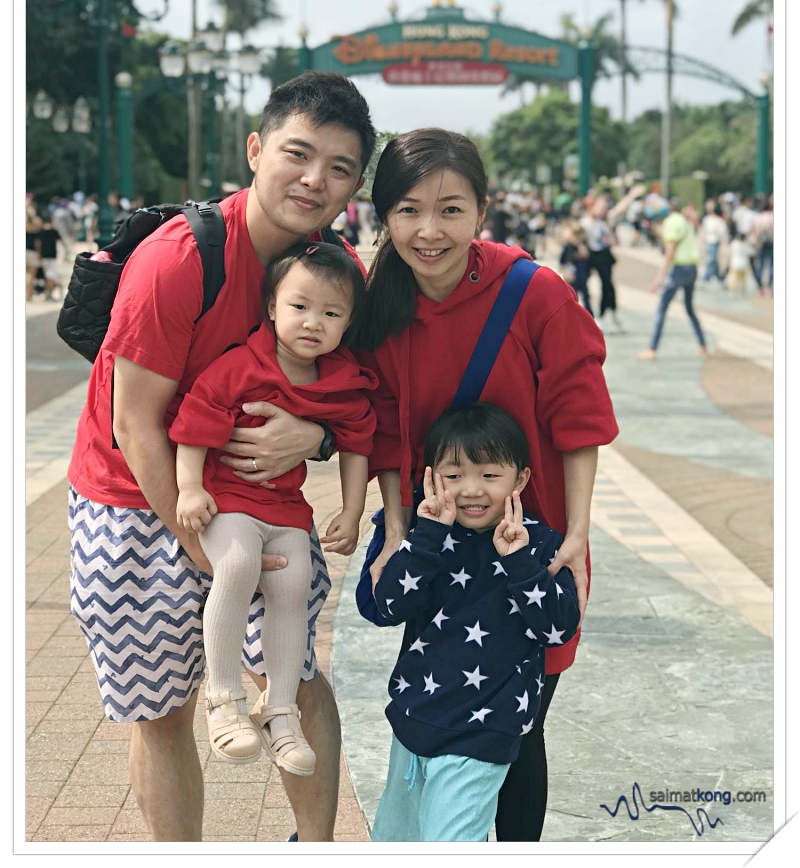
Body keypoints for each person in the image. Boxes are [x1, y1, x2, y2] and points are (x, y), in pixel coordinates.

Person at [66, 71, 376, 842]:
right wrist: (198, 544)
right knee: (163, 711)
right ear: (255, 149)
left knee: (295, 680)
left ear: (356, 186)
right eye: (298, 155)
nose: (315, 180)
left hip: (262, 507)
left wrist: (318, 438)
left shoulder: (334, 275)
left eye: (339, 168)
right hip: (133, 506)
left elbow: (355, 397)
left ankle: (316, 849)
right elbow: (135, 423)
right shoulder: (181, 258)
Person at [354, 128, 618, 842]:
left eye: (450, 210)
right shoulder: (381, 300)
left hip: (530, 547)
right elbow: (380, 423)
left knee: (518, 728)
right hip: (439, 543)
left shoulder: (535, 292)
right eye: (407, 211)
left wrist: (580, 536)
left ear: (482, 210)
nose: (428, 231)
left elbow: (581, 418)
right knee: (443, 714)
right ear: (383, 216)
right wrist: (399, 528)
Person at [169, 242, 376, 772]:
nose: (313, 323)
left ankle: (279, 711)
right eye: (299, 306)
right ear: (271, 308)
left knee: (295, 583)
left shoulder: (340, 380)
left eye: (331, 314)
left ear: (348, 323)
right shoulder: (241, 365)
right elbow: (196, 420)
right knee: (236, 565)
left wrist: (353, 511)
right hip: (229, 497)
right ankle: (223, 700)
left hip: (286, 507)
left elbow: (357, 442)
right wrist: (189, 488)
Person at [369, 403, 580, 842]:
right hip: (413, 723)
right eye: (453, 475)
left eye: (488, 476)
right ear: (431, 476)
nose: (470, 490)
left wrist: (520, 562)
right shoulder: (428, 538)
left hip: (484, 735)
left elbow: (558, 628)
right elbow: (389, 607)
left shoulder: (540, 545)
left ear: (519, 479)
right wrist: (425, 536)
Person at [638, 199, 708, 361]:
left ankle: (652, 348)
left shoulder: (671, 223)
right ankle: (702, 345)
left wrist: (659, 277)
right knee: (689, 308)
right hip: (692, 268)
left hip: (679, 269)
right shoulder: (682, 220)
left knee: (662, 308)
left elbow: (670, 251)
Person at [581, 195, 623, 333]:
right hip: (589, 256)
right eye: (598, 208)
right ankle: (587, 314)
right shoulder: (584, 223)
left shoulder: (603, 224)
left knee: (607, 284)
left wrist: (610, 240)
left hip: (603, 256)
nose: (601, 211)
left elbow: (612, 239)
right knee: (582, 283)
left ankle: (606, 313)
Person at [558, 220, 592, 316]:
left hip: (582, 276)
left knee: (586, 298)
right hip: (572, 277)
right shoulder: (568, 247)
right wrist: (565, 271)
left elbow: (589, 261)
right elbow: (563, 261)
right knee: (572, 297)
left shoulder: (583, 246)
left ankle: (589, 318)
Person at [700, 199, 729, 285]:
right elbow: (704, 231)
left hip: (715, 241)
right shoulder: (706, 219)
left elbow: (722, 232)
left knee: (712, 259)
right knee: (713, 260)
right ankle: (719, 277)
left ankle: (706, 277)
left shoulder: (718, 220)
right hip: (708, 241)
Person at [751, 195, 774, 296]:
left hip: (761, 243)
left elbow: (755, 231)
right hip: (771, 242)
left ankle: (760, 287)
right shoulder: (772, 216)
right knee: (771, 264)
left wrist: (756, 241)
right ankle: (769, 287)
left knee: (759, 264)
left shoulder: (759, 217)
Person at [25, 195, 42, 301]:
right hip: (32, 251)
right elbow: (38, 241)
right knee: (30, 275)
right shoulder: (37, 222)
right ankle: (28, 295)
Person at [727, 230, 754, 295]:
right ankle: (742, 290)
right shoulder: (745, 245)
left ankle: (733, 290)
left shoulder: (734, 244)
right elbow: (752, 253)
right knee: (743, 279)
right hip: (744, 264)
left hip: (735, 263)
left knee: (734, 278)